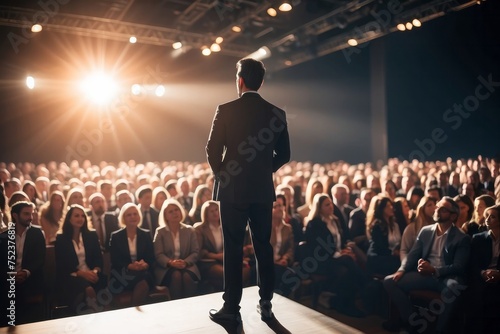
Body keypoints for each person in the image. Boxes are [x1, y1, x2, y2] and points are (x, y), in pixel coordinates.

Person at [206, 58, 290, 330]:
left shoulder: (226, 109)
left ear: (240, 80)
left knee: (232, 247)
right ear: (261, 82)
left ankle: (231, 308)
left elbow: (212, 149)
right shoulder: (277, 113)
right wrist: (264, 169)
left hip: (232, 191)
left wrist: (224, 175)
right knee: (263, 247)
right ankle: (266, 302)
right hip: (262, 190)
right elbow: (285, 155)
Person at [383, 197, 471, 333]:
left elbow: (458, 267)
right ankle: (412, 321)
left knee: (454, 289)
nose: (437, 211)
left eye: (443, 209)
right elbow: (412, 255)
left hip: (446, 278)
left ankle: (439, 331)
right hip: (425, 275)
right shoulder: (426, 231)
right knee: (389, 281)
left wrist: (434, 270)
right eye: (437, 207)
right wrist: (402, 270)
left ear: (453, 216)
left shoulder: (462, 237)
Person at [304, 193, 367, 317]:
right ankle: (363, 284)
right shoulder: (314, 224)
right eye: (327, 205)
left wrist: (345, 250)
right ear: (319, 207)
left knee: (347, 268)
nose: (331, 206)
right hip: (320, 260)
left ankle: (344, 303)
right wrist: (340, 254)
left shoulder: (335, 220)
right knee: (348, 266)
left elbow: (341, 240)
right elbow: (319, 248)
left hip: (337, 258)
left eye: (331, 203)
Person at [55, 204, 107, 314]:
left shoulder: (91, 235)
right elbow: (62, 266)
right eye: (76, 216)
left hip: (92, 275)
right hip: (71, 276)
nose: (80, 219)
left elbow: (98, 259)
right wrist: (82, 274)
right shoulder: (61, 238)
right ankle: (94, 316)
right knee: (87, 290)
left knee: (90, 289)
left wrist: (94, 272)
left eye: (82, 216)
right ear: (69, 218)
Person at [2, 201, 46, 324]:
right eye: (26, 214)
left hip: (31, 279)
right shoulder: (5, 236)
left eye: (31, 214)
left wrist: (26, 272)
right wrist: (11, 274)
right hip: (9, 280)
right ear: (15, 216)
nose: (30, 217)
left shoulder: (37, 233)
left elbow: (40, 258)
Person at [109, 203, 155, 306]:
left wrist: (144, 264)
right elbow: (115, 260)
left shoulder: (146, 234)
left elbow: (151, 258)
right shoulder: (116, 236)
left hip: (143, 272)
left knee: (144, 280)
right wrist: (131, 266)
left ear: (139, 216)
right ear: (123, 218)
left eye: (135, 214)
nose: (132, 217)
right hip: (123, 275)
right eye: (128, 215)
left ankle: (133, 314)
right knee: (142, 282)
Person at [154, 198, 200, 300]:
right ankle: (176, 305)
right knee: (176, 275)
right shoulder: (160, 232)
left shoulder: (189, 230)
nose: (175, 213)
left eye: (177, 210)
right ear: (165, 216)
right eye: (171, 211)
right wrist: (171, 262)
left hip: (187, 265)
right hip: (167, 267)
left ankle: (191, 305)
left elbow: (195, 252)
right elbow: (159, 254)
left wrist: (185, 262)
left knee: (187, 277)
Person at [466, 204, 500, 333]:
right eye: (487, 216)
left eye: (493, 217)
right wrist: (483, 273)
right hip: (481, 277)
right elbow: (472, 263)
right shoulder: (478, 238)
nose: (487, 219)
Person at [366, 196, 401, 277]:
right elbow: (380, 247)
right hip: (380, 257)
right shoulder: (377, 226)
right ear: (381, 209)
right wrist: (393, 252)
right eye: (387, 206)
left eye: (391, 205)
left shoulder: (394, 224)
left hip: (391, 255)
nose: (391, 208)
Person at [399, 196, 436, 266]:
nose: (433, 207)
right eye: (429, 205)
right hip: (413, 264)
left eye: (434, 204)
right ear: (422, 208)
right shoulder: (411, 228)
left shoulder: (438, 227)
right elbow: (404, 250)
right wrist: (405, 265)